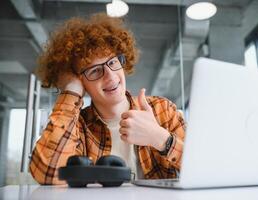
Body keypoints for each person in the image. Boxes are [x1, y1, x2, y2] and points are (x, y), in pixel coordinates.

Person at [29, 13, 186, 185]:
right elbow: (49, 174)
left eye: (112, 62)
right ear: (81, 82)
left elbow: (205, 167)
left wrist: (160, 138)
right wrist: (71, 90)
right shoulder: (77, 128)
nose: (110, 76)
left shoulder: (162, 110)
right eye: (95, 70)